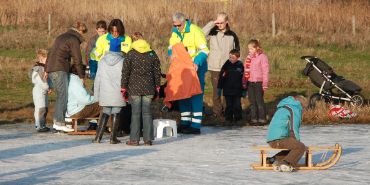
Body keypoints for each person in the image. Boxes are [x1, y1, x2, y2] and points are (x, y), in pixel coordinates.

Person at [169, 12, 209, 134]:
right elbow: (171, 47)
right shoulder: (175, 32)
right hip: (181, 71)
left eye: (179, 25)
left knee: (196, 95)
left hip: (195, 70)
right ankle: (185, 122)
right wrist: (171, 55)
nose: (177, 28)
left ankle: (196, 125)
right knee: (183, 95)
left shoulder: (195, 31)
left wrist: (196, 62)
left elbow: (205, 50)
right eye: (175, 25)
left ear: (184, 21)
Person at [44, 21, 88, 132]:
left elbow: (50, 53)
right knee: (62, 96)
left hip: (53, 68)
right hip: (60, 68)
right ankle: (59, 123)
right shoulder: (73, 40)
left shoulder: (62, 36)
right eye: (83, 33)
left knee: (61, 95)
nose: (83, 35)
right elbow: (77, 60)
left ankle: (57, 122)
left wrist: (46, 70)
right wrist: (81, 76)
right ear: (81, 31)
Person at [121, 32, 161, 146]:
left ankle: (134, 139)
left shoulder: (130, 54)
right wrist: (157, 87)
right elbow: (157, 72)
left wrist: (123, 88)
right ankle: (147, 139)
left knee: (135, 114)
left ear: (133, 41)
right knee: (147, 113)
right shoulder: (152, 53)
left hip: (134, 89)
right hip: (149, 88)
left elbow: (125, 73)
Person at [202, 12, 240, 117]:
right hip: (215, 67)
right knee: (216, 91)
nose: (219, 24)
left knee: (227, 91)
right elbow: (201, 34)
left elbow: (237, 51)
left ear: (227, 22)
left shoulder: (232, 35)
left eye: (221, 22)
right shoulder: (212, 33)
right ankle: (217, 113)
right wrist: (212, 23)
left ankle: (227, 112)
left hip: (228, 68)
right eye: (217, 22)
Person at [93, 38, 126, 144]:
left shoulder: (102, 61)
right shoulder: (123, 61)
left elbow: (98, 79)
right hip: (117, 93)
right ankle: (113, 138)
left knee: (105, 112)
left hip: (105, 92)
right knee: (116, 111)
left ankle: (98, 137)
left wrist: (96, 95)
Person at [266, 95, 308, 172]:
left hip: (273, 139)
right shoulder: (294, 109)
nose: (304, 110)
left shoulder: (286, 107)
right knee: (300, 147)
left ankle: (272, 159)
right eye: (305, 108)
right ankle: (285, 163)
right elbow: (293, 128)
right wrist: (297, 142)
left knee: (293, 146)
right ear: (302, 105)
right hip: (278, 139)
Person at [243, 39, 270, 126]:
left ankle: (262, 119)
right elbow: (245, 70)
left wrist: (265, 84)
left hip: (259, 82)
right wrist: (244, 81)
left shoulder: (262, 57)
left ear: (257, 48)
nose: (249, 51)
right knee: (252, 101)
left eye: (251, 49)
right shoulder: (248, 57)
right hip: (250, 82)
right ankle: (254, 118)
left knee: (259, 101)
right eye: (249, 49)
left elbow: (265, 71)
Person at [66, 64, 102, 130]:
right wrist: (98, 97)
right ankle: (104, 126)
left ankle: (93, 125)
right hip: (77, 111)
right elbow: (85, 100)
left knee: (94, 104)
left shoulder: (71, 78)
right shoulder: (76, 82)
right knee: (104, 103)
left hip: (73, 108)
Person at [217, 49, 245, 123]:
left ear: (238, 58)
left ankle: (238, 119)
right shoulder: (226, 66)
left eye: (233, 58)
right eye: (230, 57)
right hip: (227, 90)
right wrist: (219, 87)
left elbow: (244, 78)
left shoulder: (241, 67)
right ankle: (228, 119)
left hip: (237, 90)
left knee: (237, 105)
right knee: (228, 106)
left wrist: (245, 88)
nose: (231, 59)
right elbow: (222, 77)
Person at [28, 49, 53, 132]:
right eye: (47, 60)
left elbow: (48, 79)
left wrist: (50, 87)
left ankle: (42, 125)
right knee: (40, 109)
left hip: (43, 91)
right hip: (39, 91)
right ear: (42, 60)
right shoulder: (39, 69)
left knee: (45, 108)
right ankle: (39, 126)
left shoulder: (44, 69)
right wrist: (48, 88)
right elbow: (42, 82)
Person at [85, 20, 107, 91]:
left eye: (103, 31)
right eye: (99, 31)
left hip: (106, 65)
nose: (101, 33)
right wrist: (88, 66)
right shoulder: (92, 40)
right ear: (96, 30)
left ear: (106, 31)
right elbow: (88, 53)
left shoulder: (109, 39)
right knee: (96, 85)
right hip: (95, 65)